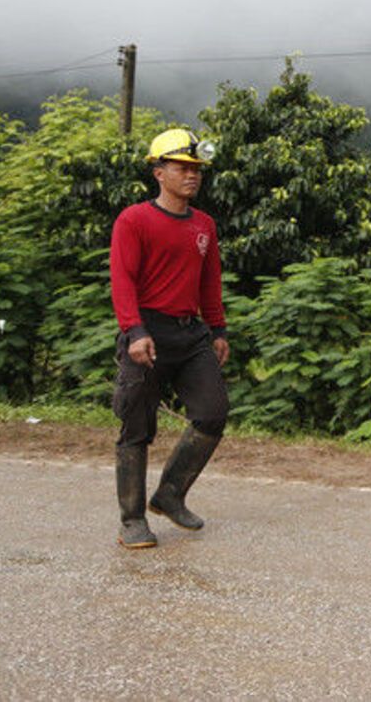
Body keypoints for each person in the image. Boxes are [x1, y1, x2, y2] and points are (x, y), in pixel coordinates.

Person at [109, 128, 230, 549]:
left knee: (213, 412)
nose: (192, 176)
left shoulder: (204, 225)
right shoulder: (134, 219)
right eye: (182, 168)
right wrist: (134, 330)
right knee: (137, 426)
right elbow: (122, 280)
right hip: (147, 331)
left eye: (196, 169)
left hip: (190, 332)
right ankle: (132, 520)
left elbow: (209, 281)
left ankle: (171, 493)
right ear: (159, 172)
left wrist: (217, 328)